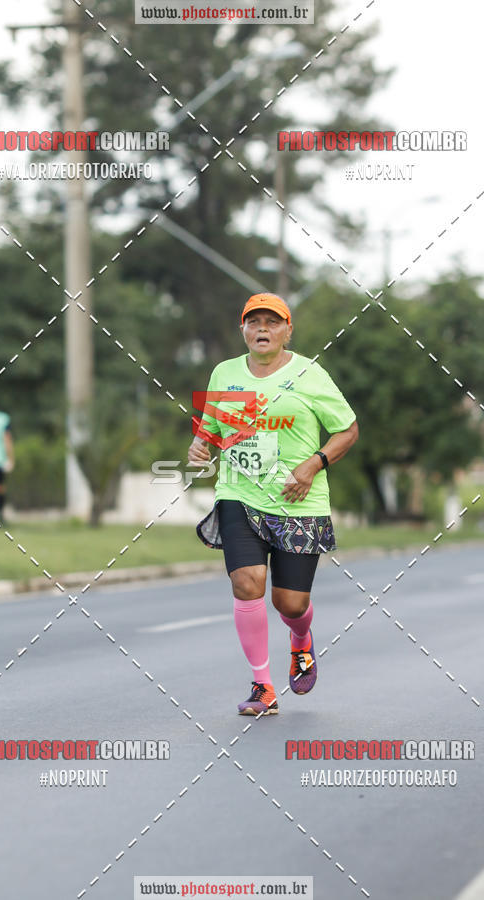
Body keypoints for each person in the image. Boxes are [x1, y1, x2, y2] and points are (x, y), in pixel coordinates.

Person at [189, 292, 358, 716]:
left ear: (287, 330)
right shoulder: (225, 373)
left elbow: (347, 430)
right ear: (242, 329)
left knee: (290, 603)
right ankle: (262, 686)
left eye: (272, 322)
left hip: (297, 501)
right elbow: (211, 428)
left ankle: (301, 639)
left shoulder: (309, 374)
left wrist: (313, 465)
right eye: (254, 321)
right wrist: (201, 445)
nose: (262, 329)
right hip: (239, 495)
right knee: (246, 583)